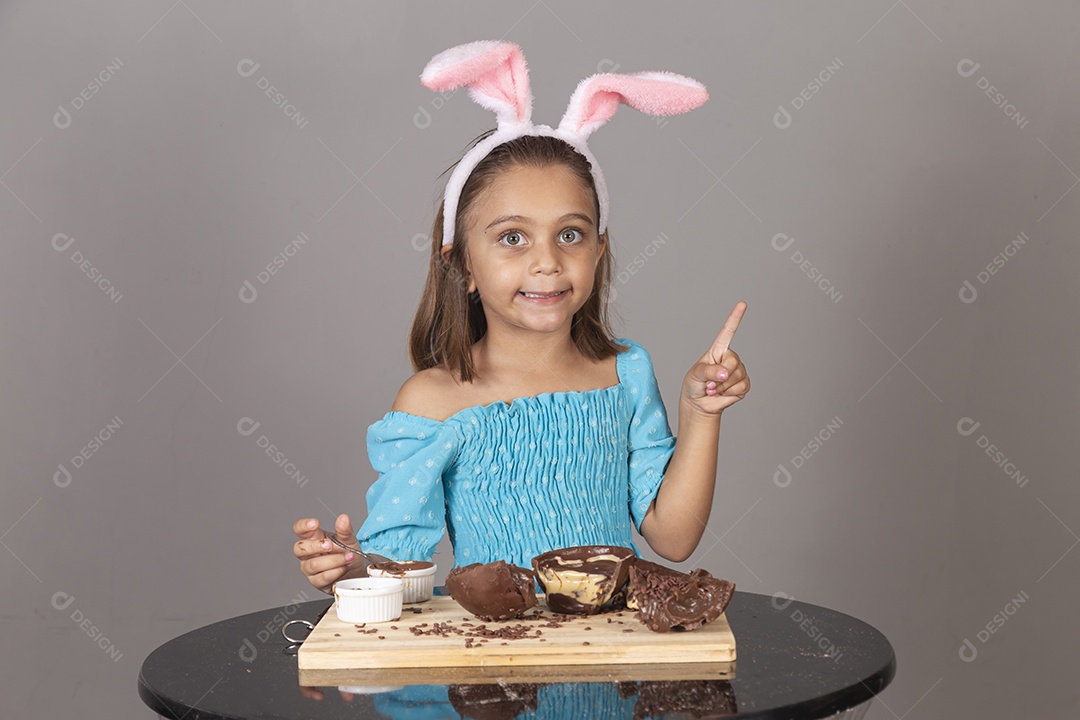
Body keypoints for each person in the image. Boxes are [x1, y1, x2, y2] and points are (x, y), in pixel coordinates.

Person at [293, 40, 750, 595]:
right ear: (461, 263)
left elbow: (674, 538)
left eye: (570, 234)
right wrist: (351, 566)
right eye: (513, 237)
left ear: (598, 250)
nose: (547, 262)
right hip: (489, 669)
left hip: (608, 662)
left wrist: (699, 413)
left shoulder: (625, 374)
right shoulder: (433, 402)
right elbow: (396, 564)